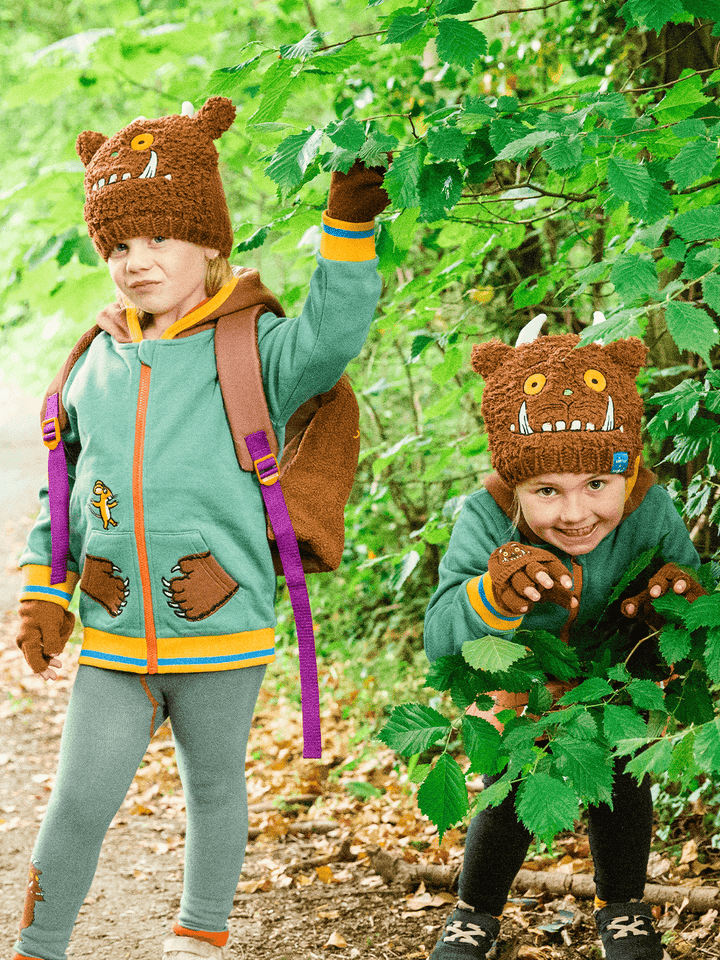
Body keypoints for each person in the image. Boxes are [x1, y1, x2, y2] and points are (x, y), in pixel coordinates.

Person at [12, 96, 389, 960]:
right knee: (78, 801)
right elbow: (64, 487)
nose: (136, 261)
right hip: (114, 637)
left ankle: (198, 938)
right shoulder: (94, 361)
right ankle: (38, 945)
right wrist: (45, 588)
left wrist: (347, 231)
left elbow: (332, 335)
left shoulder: (255, 348)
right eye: (118, 245)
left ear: (210, 242)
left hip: (223, 631)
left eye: (159, 238)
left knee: (214, 790)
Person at [424, 322, 704, 960]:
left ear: (627, 470)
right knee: (511, 778)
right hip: (519, 682)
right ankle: (475, 911)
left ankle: (622, 905)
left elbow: (687, 599)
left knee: (623, 774)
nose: (575, 514)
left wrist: (670, 605)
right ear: (515, 485)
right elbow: (441, 638)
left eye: (596, 485)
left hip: (614, 677)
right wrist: (496, 596)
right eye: (546, 491)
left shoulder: (651, 509)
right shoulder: (486, 515)